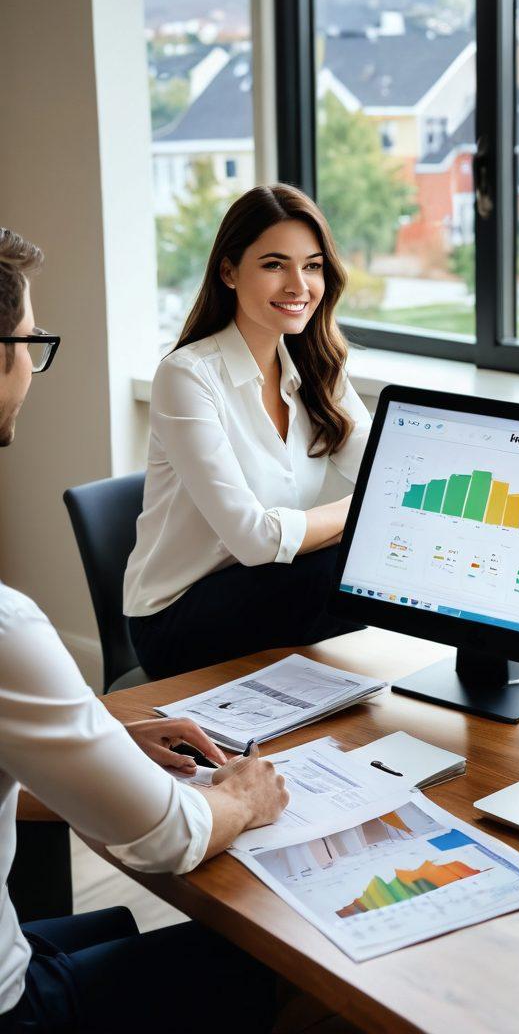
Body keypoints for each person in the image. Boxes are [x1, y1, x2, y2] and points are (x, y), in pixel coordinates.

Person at [0, 228, 289, 1032]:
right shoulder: (6, 626)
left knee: (117, 927)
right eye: (31, 341)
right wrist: (243, 795)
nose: (33, 364)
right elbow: (165, 840)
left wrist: (91, 749)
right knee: (275, 973)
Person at [124, 184, 371, 678]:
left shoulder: (318, 366)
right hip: (178, 618)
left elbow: (381, 468)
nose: (299, 285)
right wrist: (362, 509)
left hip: (272, 586)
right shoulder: (187, 376)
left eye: (313, 265)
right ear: (229, 271)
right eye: (274, 264)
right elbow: (254, 540)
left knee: (366, 568)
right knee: (347, 572)